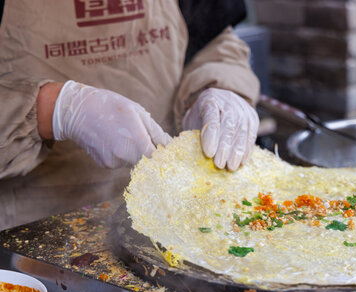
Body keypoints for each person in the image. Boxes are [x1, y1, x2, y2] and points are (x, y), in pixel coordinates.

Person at [0, 0, 260, 230]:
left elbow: (211, 42)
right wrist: (55, 108)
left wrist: (219, 89)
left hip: (167, 214)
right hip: (27, 232)